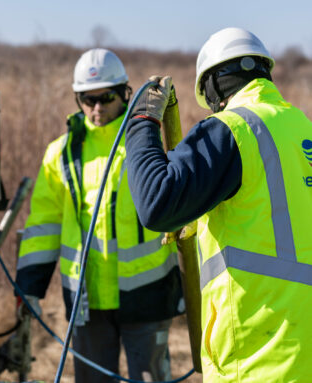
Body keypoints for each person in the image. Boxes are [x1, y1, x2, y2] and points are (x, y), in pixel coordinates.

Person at [125, 27, 312, 382]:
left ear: (212, 88)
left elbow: (156, 202)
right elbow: (273, 212)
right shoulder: (302, 128)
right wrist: (202, 214)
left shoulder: (234, 129)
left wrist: (141, 123)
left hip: (259, 360)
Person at [15, 48, 184, 382]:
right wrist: (29, 284)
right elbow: (44, 223)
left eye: (105, 98)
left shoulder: (146, 142)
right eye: (86, 99)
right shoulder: (61, 153)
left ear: (124, 93)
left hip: (148, 292)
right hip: (86, 299)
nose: (95, 108)